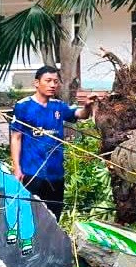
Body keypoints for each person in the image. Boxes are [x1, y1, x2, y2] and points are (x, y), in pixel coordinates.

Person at [10, 66, 95, 218]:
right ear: (37, 83)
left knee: (54, 217)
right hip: (32, 172)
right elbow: (16, 137)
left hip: (56, 174)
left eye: (55, 82)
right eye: (48, 81)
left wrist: (87, 106)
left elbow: (80, 114)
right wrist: (17, 168)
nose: (52, 85)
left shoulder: (58, 106)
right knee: (30, 216)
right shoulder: (23, 106)